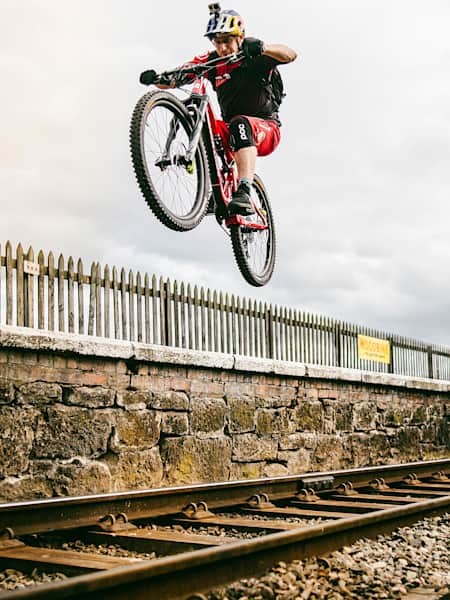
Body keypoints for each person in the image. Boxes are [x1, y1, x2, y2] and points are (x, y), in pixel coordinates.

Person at [140, 5, 297, 216]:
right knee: (208, 127)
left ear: (240, 37)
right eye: (217, 42)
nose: (222, 48)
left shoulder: (254, 55)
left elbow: (290, 54)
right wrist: (158, 80)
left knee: (240, 124)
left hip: (265, 127)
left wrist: (264, 47)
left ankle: (244, 191)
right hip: (232, 128)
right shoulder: (213, 61)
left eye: (227, 41)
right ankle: (214, 191)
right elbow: (182, 73)